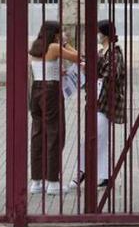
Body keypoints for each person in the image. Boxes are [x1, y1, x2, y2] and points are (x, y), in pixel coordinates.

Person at [29, 21, 81, 195]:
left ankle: (36, 181)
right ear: (55, 33)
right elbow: (78, 57)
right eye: (61, 32)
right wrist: (66, 44)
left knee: (38, 135)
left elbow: (42, 68)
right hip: (50, 91)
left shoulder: (36, 46)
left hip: (36, 90)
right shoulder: (54, 47)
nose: (63, 34)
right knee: (55, 134)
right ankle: (52, 182)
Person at [76, 20, 126, 188]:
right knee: (99, 138)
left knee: (95, 137)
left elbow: (110, 74)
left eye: (98, 32)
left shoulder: (115, 53)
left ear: (105, 34)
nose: (97, 35)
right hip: (95, 100)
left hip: (105, 101)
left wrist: (91, 68)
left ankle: (82, 171)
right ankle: (105, 176)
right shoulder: (102, 51)